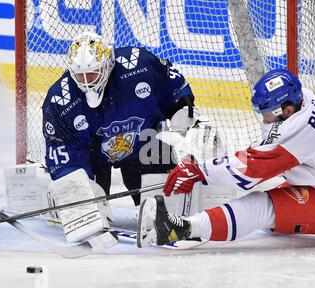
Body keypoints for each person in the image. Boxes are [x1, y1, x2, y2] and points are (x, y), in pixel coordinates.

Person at [136, 69, 315, 248]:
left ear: (287, 109)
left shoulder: (297, 130)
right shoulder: (304, 98)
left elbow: (247, 171)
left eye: (267, 113)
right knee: (264, 201)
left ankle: (181, 230)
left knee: (261, 206)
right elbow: (261, 156)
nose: (264, 119)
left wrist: (199, 170)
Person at [42, 31, 199, 244]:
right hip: (92, 158)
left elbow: (173, 87)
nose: (87, 82)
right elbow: (64, 155)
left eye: (93, 73)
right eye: (81, 75)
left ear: (107, 65)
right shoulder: (60, 100)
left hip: (144, 145)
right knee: (84, 203)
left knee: (166, 204)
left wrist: (182, 112)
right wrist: (78, 188)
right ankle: (58, 200)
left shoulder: (138, 64)